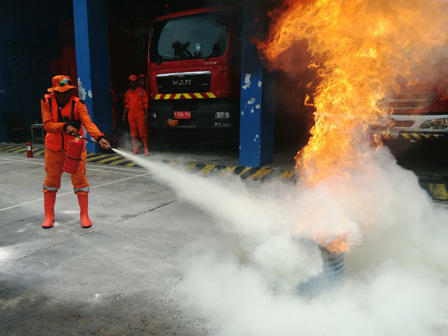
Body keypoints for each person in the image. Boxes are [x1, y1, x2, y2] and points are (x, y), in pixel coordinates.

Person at [40, 75, 111, 229]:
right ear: (55, 92)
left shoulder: (78, 105)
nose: (66, 94)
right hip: (54, 149)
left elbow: (88, 123)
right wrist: (65, 126)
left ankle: (84, 215)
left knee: (80, 181)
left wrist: (99, 138)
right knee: (51, 182)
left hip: (76, 149)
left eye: (68, 91)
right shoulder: (46, 102)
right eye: (62, 92)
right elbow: (47, 125)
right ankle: (49, 216)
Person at [123, 74, 149, 155]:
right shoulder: (128, 92)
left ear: (136, 82)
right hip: (131, 114)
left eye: (134, 82)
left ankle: (146, 149)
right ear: (129, 83)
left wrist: (145, 115)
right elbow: (126, 105)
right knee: (133, 133)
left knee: (142, 132)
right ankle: (135, 149)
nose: (133, 84)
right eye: (131, 82)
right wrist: (124, 115)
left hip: (140, 114)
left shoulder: (142, 91)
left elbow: (146, 104)